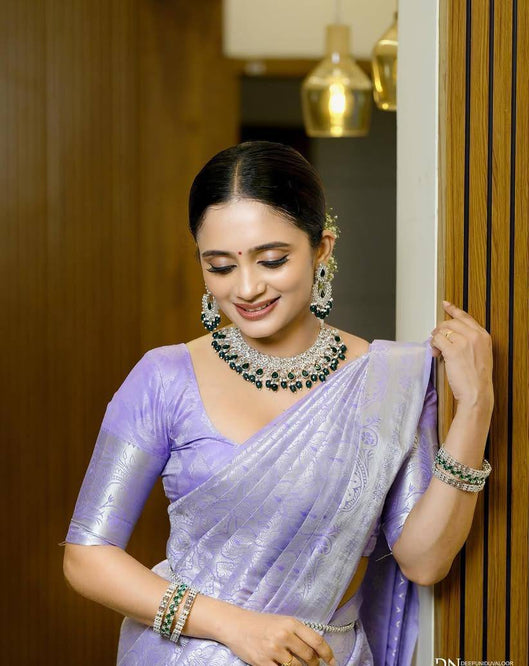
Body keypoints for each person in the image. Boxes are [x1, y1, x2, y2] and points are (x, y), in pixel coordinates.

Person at [60, 141, 494, 666]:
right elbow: (86, 556)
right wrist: (233, 626)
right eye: (221, 267)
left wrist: (475, 407)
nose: (247, 288)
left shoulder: (390, 382)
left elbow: (424, 561)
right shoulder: (165, 378)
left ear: (322, 248)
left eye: (272, 260)